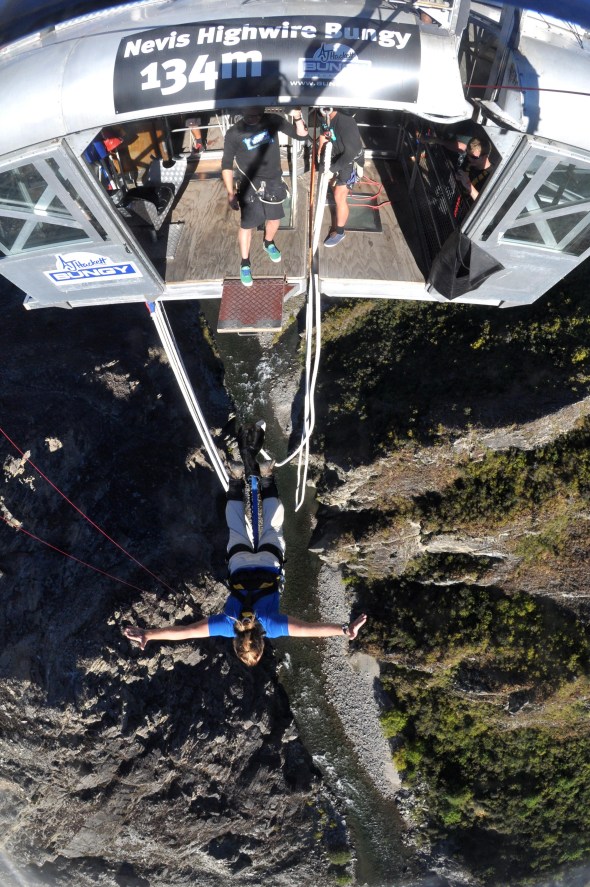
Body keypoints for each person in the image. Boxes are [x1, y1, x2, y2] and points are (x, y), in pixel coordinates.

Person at [123, 425, 366, 667]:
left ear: (261, 643)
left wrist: (345, 630)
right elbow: (186, 631)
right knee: (237, 527)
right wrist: (148, 634)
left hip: (268, 563)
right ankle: (236, 479)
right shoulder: (226, 624)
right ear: (235, 643)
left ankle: (267, 476)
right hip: (239, 565)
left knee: (272, 526)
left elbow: (308, 629)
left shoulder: (272, 625)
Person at [221, 107, 309, 287]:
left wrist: (298, 117)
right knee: (247, 225)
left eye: (256, 115)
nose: (252, 118)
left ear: (262, 111)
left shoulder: (272, 120)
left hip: (273, 181)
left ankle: (268, 242)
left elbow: (301, 136)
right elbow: (226, 164)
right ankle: (245, 263)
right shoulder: (234, 133)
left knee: (275, 219)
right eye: (248, 115)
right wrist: (230, 193)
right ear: (242, 113)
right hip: (249, 184)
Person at [316, 108, 364, 248]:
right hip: (336, 153)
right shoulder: (322, 114)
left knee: (339, 196)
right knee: (332, 184)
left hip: (350, 159)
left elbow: (351, 153)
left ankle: (340, 232)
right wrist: (320, 152)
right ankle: (335, 182)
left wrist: (332, 170)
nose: (321, 110)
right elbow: (324, 133)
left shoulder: (346, 122)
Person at [422, 134, 494, 201]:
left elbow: (485, 203)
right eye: (468, 154)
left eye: (474, 157)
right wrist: (437, 140)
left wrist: (468, 184)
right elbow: (461, 146)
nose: (469, 158)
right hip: (454, 195)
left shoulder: (492, 176)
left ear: (485, 156)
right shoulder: (471, 158)